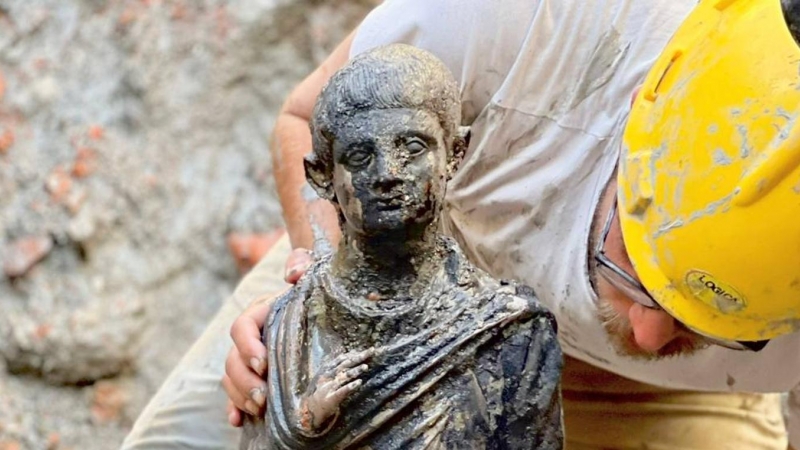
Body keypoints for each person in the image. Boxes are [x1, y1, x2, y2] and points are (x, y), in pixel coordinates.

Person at [122, 0, 800, 449]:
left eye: (711, 323)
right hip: (408, 271)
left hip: (666, 404)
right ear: (642, 117)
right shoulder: (524, 20)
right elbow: (305, 119)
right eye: (639, 266)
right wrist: (321, 308)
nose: (648, 334)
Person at [240, 44, 563, 449]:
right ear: (322, 176)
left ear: (454, 154)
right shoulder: (290, 329)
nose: (388, 174)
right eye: (360, 156)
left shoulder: (507, 330)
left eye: (413, 148)